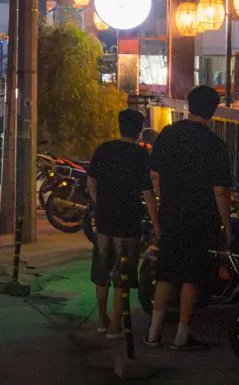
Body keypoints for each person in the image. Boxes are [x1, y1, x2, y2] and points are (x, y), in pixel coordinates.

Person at [146, 85, 233, 351]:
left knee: (166, 272)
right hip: (201, 217)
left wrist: (165, 202)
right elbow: (220, 191)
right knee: (191, 276)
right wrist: (227, 226)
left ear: (188, 105)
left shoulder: (168, 135)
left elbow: (154, 176)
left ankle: (153, 334)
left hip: (171, 214)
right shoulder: (215, 144)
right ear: (213, 110)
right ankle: (182, 336)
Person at [87, 109, 159, 339]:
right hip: (127, 221)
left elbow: (91, 184)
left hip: (104, 220)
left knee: (102, 270)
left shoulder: (103, 150)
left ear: (119, 126)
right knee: (122, 273)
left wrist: (101, 204)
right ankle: (114, 325)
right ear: (139, 130)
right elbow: (147, 192)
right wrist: (156, 223)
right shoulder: (140, 155)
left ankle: (101, 319)